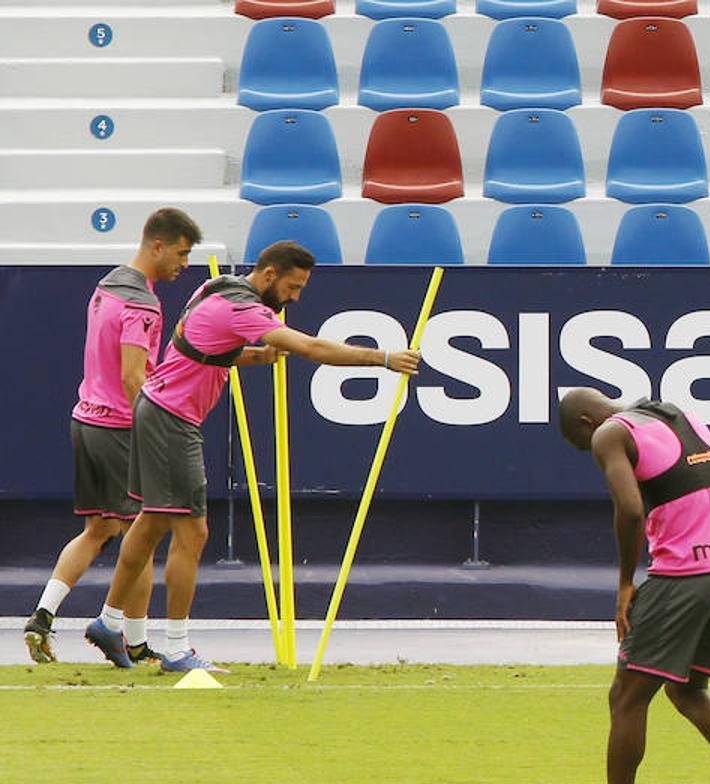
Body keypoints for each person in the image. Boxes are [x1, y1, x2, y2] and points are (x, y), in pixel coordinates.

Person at [84, 240, 421, 672]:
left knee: (151, 523)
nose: (295, 297)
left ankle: (110, 623)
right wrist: (384, 358)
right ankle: (176, 649)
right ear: (268, 275)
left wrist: (257, 356)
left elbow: (201, 349)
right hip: (172, 419)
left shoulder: (215, 288)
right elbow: (310, 349)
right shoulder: (243, 308)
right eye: (293, 287)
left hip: (156, 408)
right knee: (194, 533)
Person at [555, 388, 710, 784]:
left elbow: (631, 510)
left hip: (685, 576)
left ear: (587, 424)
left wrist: (623, 585)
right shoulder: (683, 415)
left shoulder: (609, 434)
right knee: (687, 689)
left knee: (626, 696)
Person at [23, 208, 202, 665]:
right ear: (157, 246)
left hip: (85, 418)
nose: (184, 264)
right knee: (143, 533)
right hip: (120, 427)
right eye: (181, 254)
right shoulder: (143, 303)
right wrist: (156, 427)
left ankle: (43, 615)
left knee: (99, 529)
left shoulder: (106, 287)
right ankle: (135, 640)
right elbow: (131, 375)